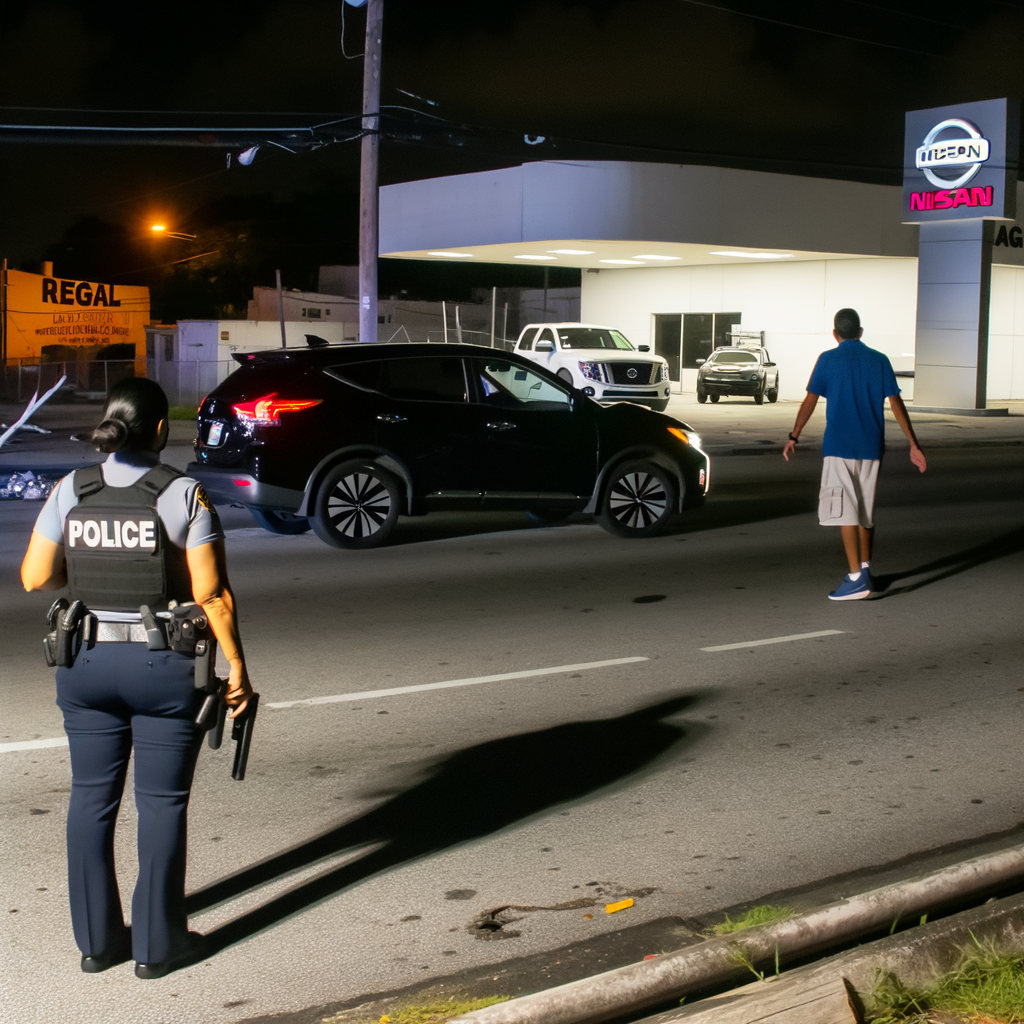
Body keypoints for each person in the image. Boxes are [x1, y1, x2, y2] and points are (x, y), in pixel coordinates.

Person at [20, 377, 253, 978]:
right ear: (159, 431)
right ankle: (157, 946)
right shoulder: (182, 495)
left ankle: (97, 944)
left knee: (90, 802)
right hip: (161, 669)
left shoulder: (72, 487)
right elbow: (212, 596)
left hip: (85, 664)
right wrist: (237, 671)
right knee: (161, 804)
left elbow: (34, 577)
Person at [783, 308, 926, 600]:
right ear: (860, 332)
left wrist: (794, 435)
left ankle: (855, 579)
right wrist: (914, 443)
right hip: (872, 447)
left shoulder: (827, 359)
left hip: (839, 447)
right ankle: (865, 568)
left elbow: (810, 400)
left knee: (844, 509)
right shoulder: (880, 360)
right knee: (865, 512)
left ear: (835, 334)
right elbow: (897, 404)